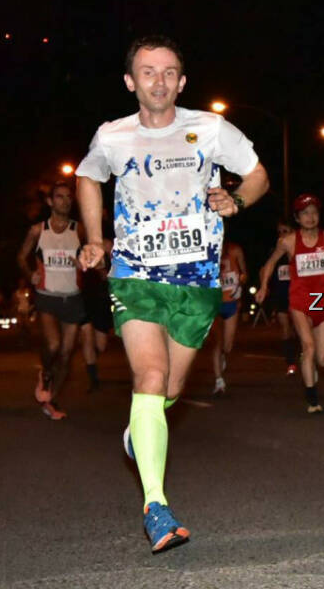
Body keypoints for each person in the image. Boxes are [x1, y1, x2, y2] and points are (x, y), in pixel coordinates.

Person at [76, 34, 269, 552]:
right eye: (147, 71)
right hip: (135, 275)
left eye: (168, 72)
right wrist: (95, 240)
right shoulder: (113, 136)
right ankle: (156, 507)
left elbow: (257, 176)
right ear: (130, 81)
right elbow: (88, 178)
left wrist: (237, 201)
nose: (158, 81)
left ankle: (141, 429)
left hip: (196, 282)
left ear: (181, 81)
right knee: (151, 374)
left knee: (169, 393)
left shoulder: (209, 128)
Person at [259, 194, 324, 413]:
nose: (310, 217)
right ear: (297, 218)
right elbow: (269, 265)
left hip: (323, 302)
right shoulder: (288, 241)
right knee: (308, 345)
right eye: (305, 213)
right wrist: (264, 286)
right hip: (299, 300)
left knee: (323, 360)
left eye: (314, 212)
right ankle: (312, 400)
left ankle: (309, 361)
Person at [18, 178, 87, 420]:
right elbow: (21, 257)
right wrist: (30, 274)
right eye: (60, 197)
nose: (65, 202)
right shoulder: (38, 230)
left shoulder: (79, 230)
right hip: (46, 296)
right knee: (54, 345)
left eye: (69, 197)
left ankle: (51, 399)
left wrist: (84, 263)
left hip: (72, 297)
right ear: (50, 201)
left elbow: (91, 256)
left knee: (67, 353)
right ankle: (46, 372)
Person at [211, 238, 247, 395]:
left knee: (227, 345)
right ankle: (219, 380)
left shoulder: (235, 250)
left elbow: (245, 273)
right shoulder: (208, 249)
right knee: (216, 342)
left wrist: (241, 284)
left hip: (231, 301)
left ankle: (223, 356)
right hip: (214, 302)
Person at [262, 221, 299, 375]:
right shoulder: (275, 251)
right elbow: (266, 268)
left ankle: (302, 351)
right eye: (280, 231)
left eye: (286, 230)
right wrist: (264, 285)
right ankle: (290, 362)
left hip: (298, 293)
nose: (282, 234)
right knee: (285, 327)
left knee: (299, 327)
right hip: (281, 294)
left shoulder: (297, 249)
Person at [79, 247, 113, 391]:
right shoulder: (80, 246)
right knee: (87, 336)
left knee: (101, 346)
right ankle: (94, 379)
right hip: (84, 297)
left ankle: (91, 359)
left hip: (102, 299)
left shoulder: (109, 245)